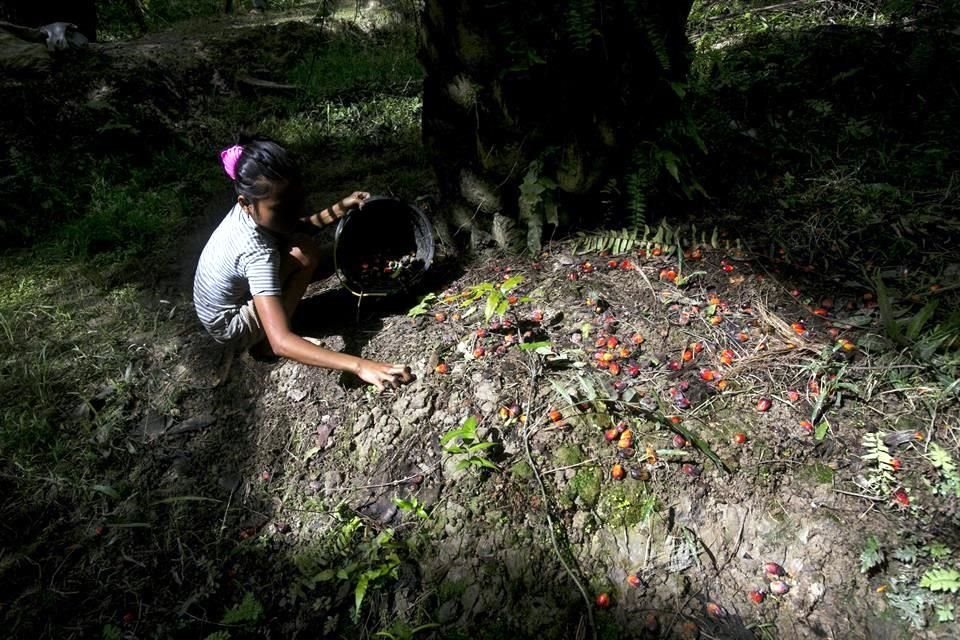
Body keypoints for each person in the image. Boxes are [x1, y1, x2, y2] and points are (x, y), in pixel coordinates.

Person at [193, 136, 414, 390]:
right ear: (246, 204)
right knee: (305, 253)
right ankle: (259, 343)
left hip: (228, 303)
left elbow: (293, 225)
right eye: (281, 208)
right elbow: (281, 342)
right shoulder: (256, 254)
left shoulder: (255, 209)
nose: (291, 213)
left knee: (309, 248)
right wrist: (360, 365)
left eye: (296, 203)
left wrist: (340, 208)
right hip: (232, 325)